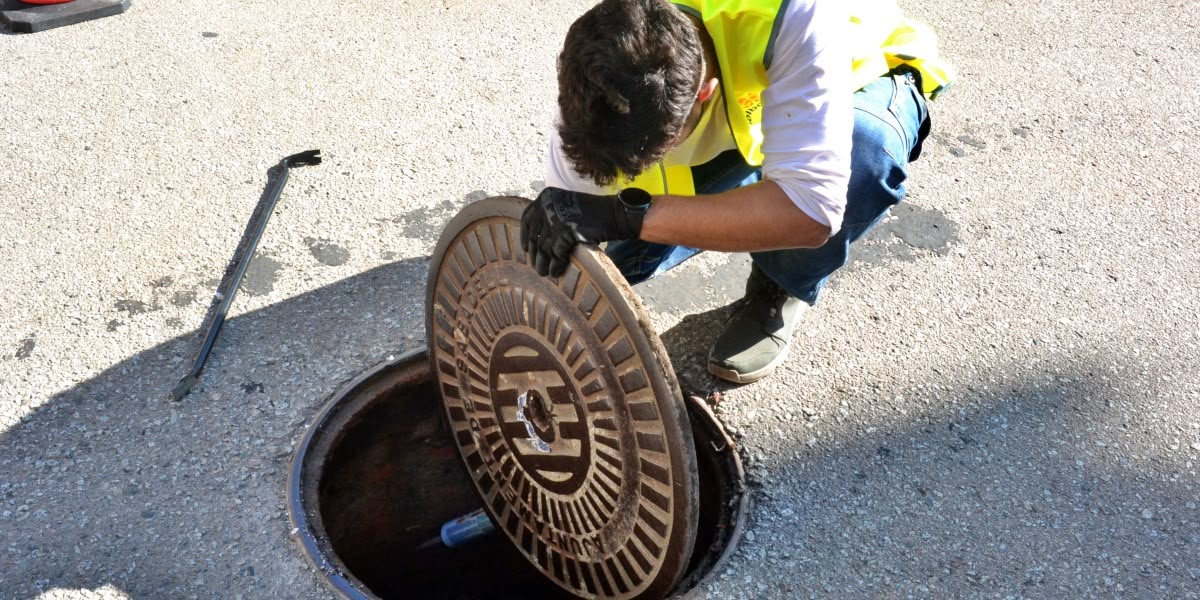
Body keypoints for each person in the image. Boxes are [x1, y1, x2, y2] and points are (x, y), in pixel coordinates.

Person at [521, 0, 954, 383]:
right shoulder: (607, 48)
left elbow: (811, 212)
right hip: (744, 106)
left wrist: (627, 216)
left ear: (703, 94)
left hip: (856, 77)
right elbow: (579, 197)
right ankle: (742, 203)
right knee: (597, 245)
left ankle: (778, 285)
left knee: (866, 150)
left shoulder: (794, 13)